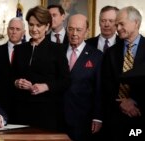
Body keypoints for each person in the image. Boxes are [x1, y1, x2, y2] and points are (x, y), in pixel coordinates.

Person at [12, 6, 70, 131]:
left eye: (38, 25)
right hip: (21, 112)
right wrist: (17, 82)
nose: (34, 29)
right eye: (31, 25)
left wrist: (46, 86)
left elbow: (66, 81)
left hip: (47, 113)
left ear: (47, 26)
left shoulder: (58, 50)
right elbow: (11, 77)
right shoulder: (19, 49)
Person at [101, 6, 145, 141]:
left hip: (140, 116)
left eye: (121, 24)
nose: (117, 28)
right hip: (115, 117)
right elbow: (106, 83)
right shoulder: (111, 52)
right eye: (117, 24)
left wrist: (133, 101)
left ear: (136, 23)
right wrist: (121, 103)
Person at [62, 14, 103, 141]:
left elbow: (99, 88)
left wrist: (98, 117)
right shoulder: (58, 51)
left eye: (79, 30)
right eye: (71, 29)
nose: (74, 33)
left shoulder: (97, 55)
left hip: (83, 119)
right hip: (58, 117)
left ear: (87, 31)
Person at [0, 17, 25, 123]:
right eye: (11, 28)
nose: (14, 31)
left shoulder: (30, 52)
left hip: (23, 105)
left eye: (18, 29)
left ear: (23, 32)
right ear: (7, 30)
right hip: (1, 104)